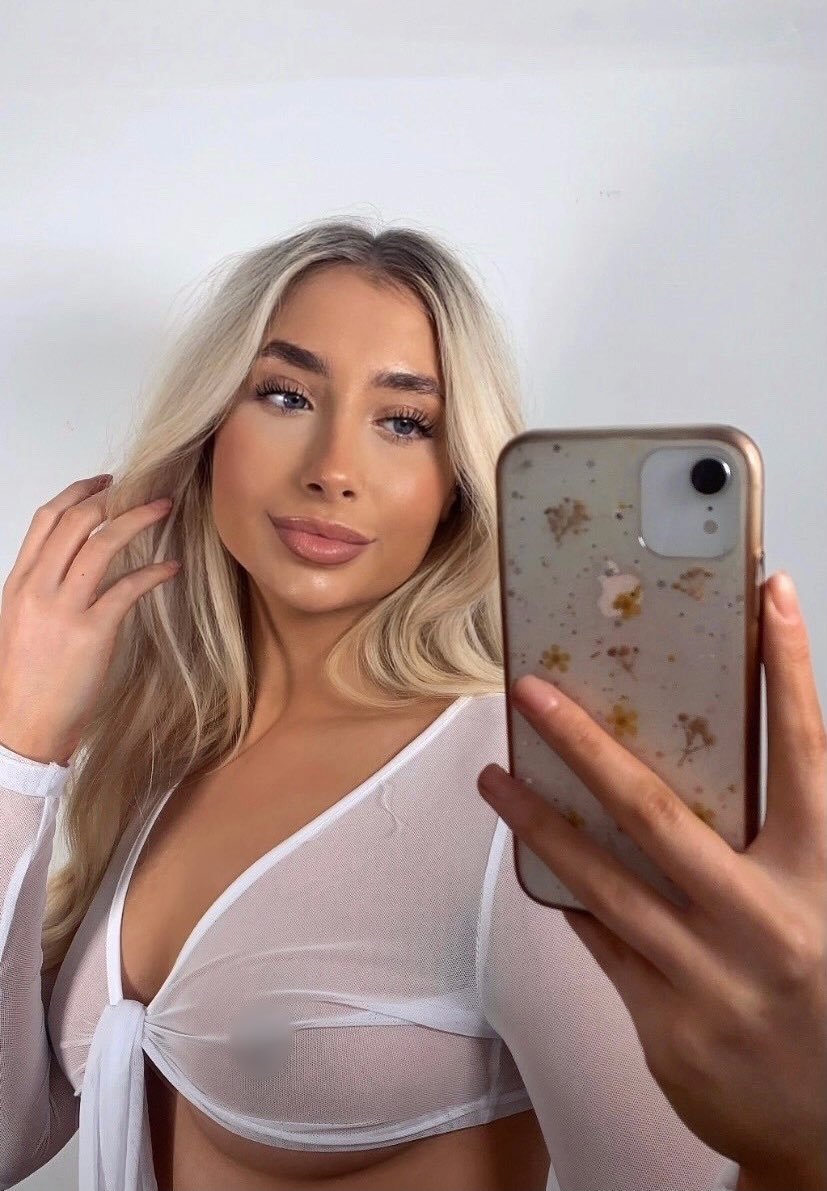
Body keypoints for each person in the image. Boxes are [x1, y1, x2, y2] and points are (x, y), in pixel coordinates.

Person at [1, 218, 820, 1190]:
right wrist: (20, 746)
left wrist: (798, 1135)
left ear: (456, 483)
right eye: (285, 394)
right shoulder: (162, 757)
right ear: (210, 428)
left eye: (403, 422)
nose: (332, 469)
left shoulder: (511, 796)